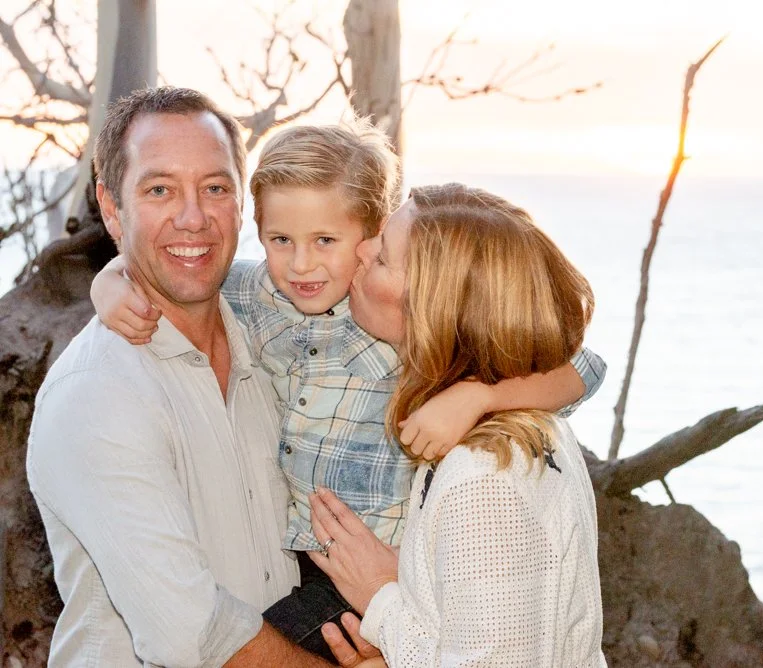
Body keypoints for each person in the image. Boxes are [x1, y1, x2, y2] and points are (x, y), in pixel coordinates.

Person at [89, 116, 607, 661]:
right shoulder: (262, 294)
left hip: (391, 570)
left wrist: (480, 396)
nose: (302, 263)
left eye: (330, 241)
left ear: (373, 237)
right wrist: (109, 285)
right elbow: (176, 275)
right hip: (317, 566)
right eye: (280, 240)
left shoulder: (422, 361)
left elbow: (581, 365)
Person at [27, 87, 375, 667]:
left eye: (215, 188)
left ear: (243, 206)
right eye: (160, 189)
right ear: (111, 208)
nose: (194, 218)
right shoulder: (97, 394)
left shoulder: (280, 340)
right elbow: (192, 635)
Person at [306, 184, 608, 666]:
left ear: (432, 306)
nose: (360, 250)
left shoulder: (484, 477)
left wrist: (380, 594)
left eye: (383, 257)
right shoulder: (525, 421)